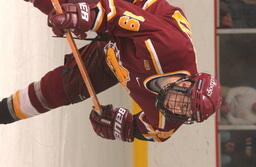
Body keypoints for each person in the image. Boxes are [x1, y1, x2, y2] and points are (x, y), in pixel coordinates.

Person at [0, 0, 221, 142]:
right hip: (128, 10)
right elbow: (116, 13)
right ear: (186, 83)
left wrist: (126, 127)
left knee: (60, 91)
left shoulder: (168, 120)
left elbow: (150, 132)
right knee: (63, 5)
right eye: (183, 103)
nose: (177, 110)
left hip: (118, 58)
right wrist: (85, 14)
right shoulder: (170, 47)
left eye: (186, 113)